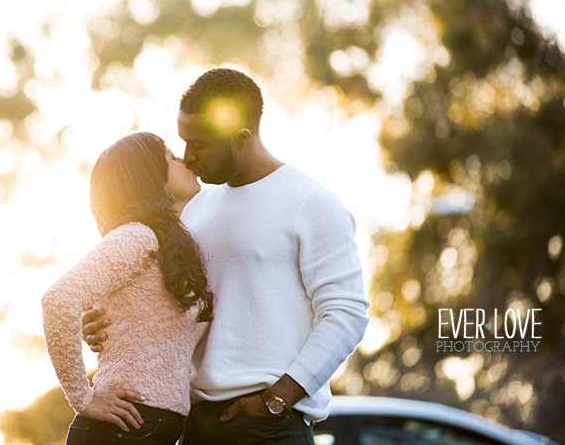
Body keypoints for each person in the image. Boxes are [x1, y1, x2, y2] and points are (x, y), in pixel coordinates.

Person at [83, 68, 370, 445]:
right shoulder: (193, 209)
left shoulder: (311, 204)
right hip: (192, 423)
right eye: (183, 142)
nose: (187, 157)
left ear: (240, 139)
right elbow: (169, 305)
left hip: (266, 427)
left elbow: (346, 314)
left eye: (199, 145)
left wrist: (278, 398)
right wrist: (109, 322)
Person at [41, 131, 215, 445]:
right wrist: (82, 397)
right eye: (171, 159)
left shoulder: (175, 248)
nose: (185, 161)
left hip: (154, 431)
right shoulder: (138, 237)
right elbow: (58, 299)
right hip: (119, 430)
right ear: (150, 176)